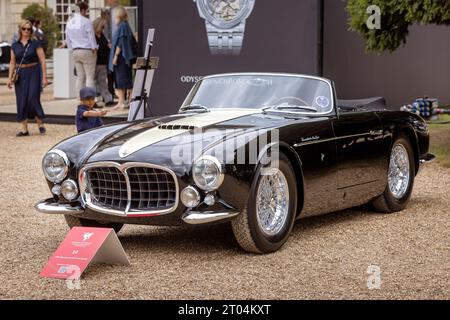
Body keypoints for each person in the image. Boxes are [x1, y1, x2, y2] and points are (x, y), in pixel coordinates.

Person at [7, 20, 48, 137]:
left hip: (34, 72)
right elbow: (12, 62)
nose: (26, 31)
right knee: (21, 99)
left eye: (29, 29)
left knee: (33, 98)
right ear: (20, 30)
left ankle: (40, 123)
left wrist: (44, 77)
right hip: (20, 74)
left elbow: (43, 60)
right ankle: (24, 129)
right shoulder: (14, 45)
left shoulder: (35, 43)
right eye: (24, 29)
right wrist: (9, 79)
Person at [65, 1, 98, 94]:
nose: (86, 13)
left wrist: (71, 50)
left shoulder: (69, 23)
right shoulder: (86, 21)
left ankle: (80, 100)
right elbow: (91, 37)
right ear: (82, 10)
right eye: (86, 11)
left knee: (80, 77)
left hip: (75, 51)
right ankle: (89, 100)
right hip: (87, 51)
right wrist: (94, 48)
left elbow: (67, 39)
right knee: (89, 77)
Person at [109, 6, 136, 110]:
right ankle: (123, 101)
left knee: (122, 80)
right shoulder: (125, 26)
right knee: (124, 80)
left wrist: (115, 56)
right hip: (124, 59)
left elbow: (120, 43)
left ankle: (122, 102)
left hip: (121, 58)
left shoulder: (122, 26)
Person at [93, 18, 114, 107]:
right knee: (94, 83)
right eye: (102, 27)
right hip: (94, 63)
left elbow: (105, 45)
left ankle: (108, 99)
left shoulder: (102, 35)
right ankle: (96, 100)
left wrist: (108, 46)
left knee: (102, 82)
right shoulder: (92, 36)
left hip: (103, 63)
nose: (103, 29)